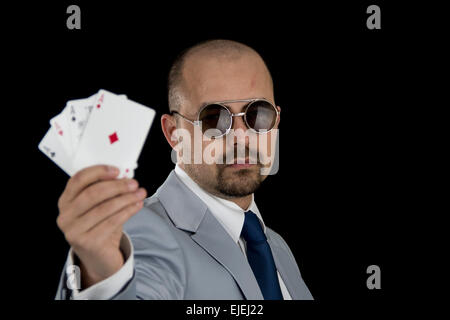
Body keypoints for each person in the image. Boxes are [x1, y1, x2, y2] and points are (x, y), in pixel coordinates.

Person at [55, 39, 313, 300]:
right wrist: (104, 276)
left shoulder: (277, 247)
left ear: (276, 121)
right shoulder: (136, 233)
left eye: (258, 114)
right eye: (214, 117)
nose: (241, 137)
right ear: (173, 134)